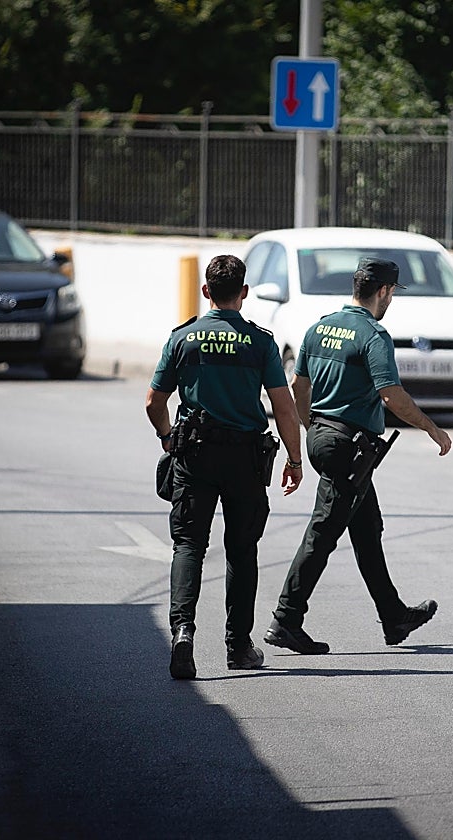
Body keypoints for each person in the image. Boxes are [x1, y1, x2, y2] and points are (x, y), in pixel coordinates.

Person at [264, 256, 452, 655]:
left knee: (367, 531)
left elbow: (299, 385)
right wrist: (432, 428)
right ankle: (285, 619)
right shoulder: (373, 334)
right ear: (383, 291)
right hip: (348, 447)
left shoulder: (319, 326)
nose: (391, 300)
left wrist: (311, 428)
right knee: (322, 534)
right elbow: (391, 395)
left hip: (324, 437)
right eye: (392, 293)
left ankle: (393, 616)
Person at [145, 254, 305, 680]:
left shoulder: (184, 338)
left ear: (206, 292)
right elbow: (284, 408)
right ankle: (238, 646)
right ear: (245, 293)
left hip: (194, 455)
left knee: (188, 546)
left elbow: (153, 401)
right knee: (241, 550)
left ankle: (182, 635)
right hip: (244, 460)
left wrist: (166, 436)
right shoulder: (260, 342)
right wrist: (294, 458)